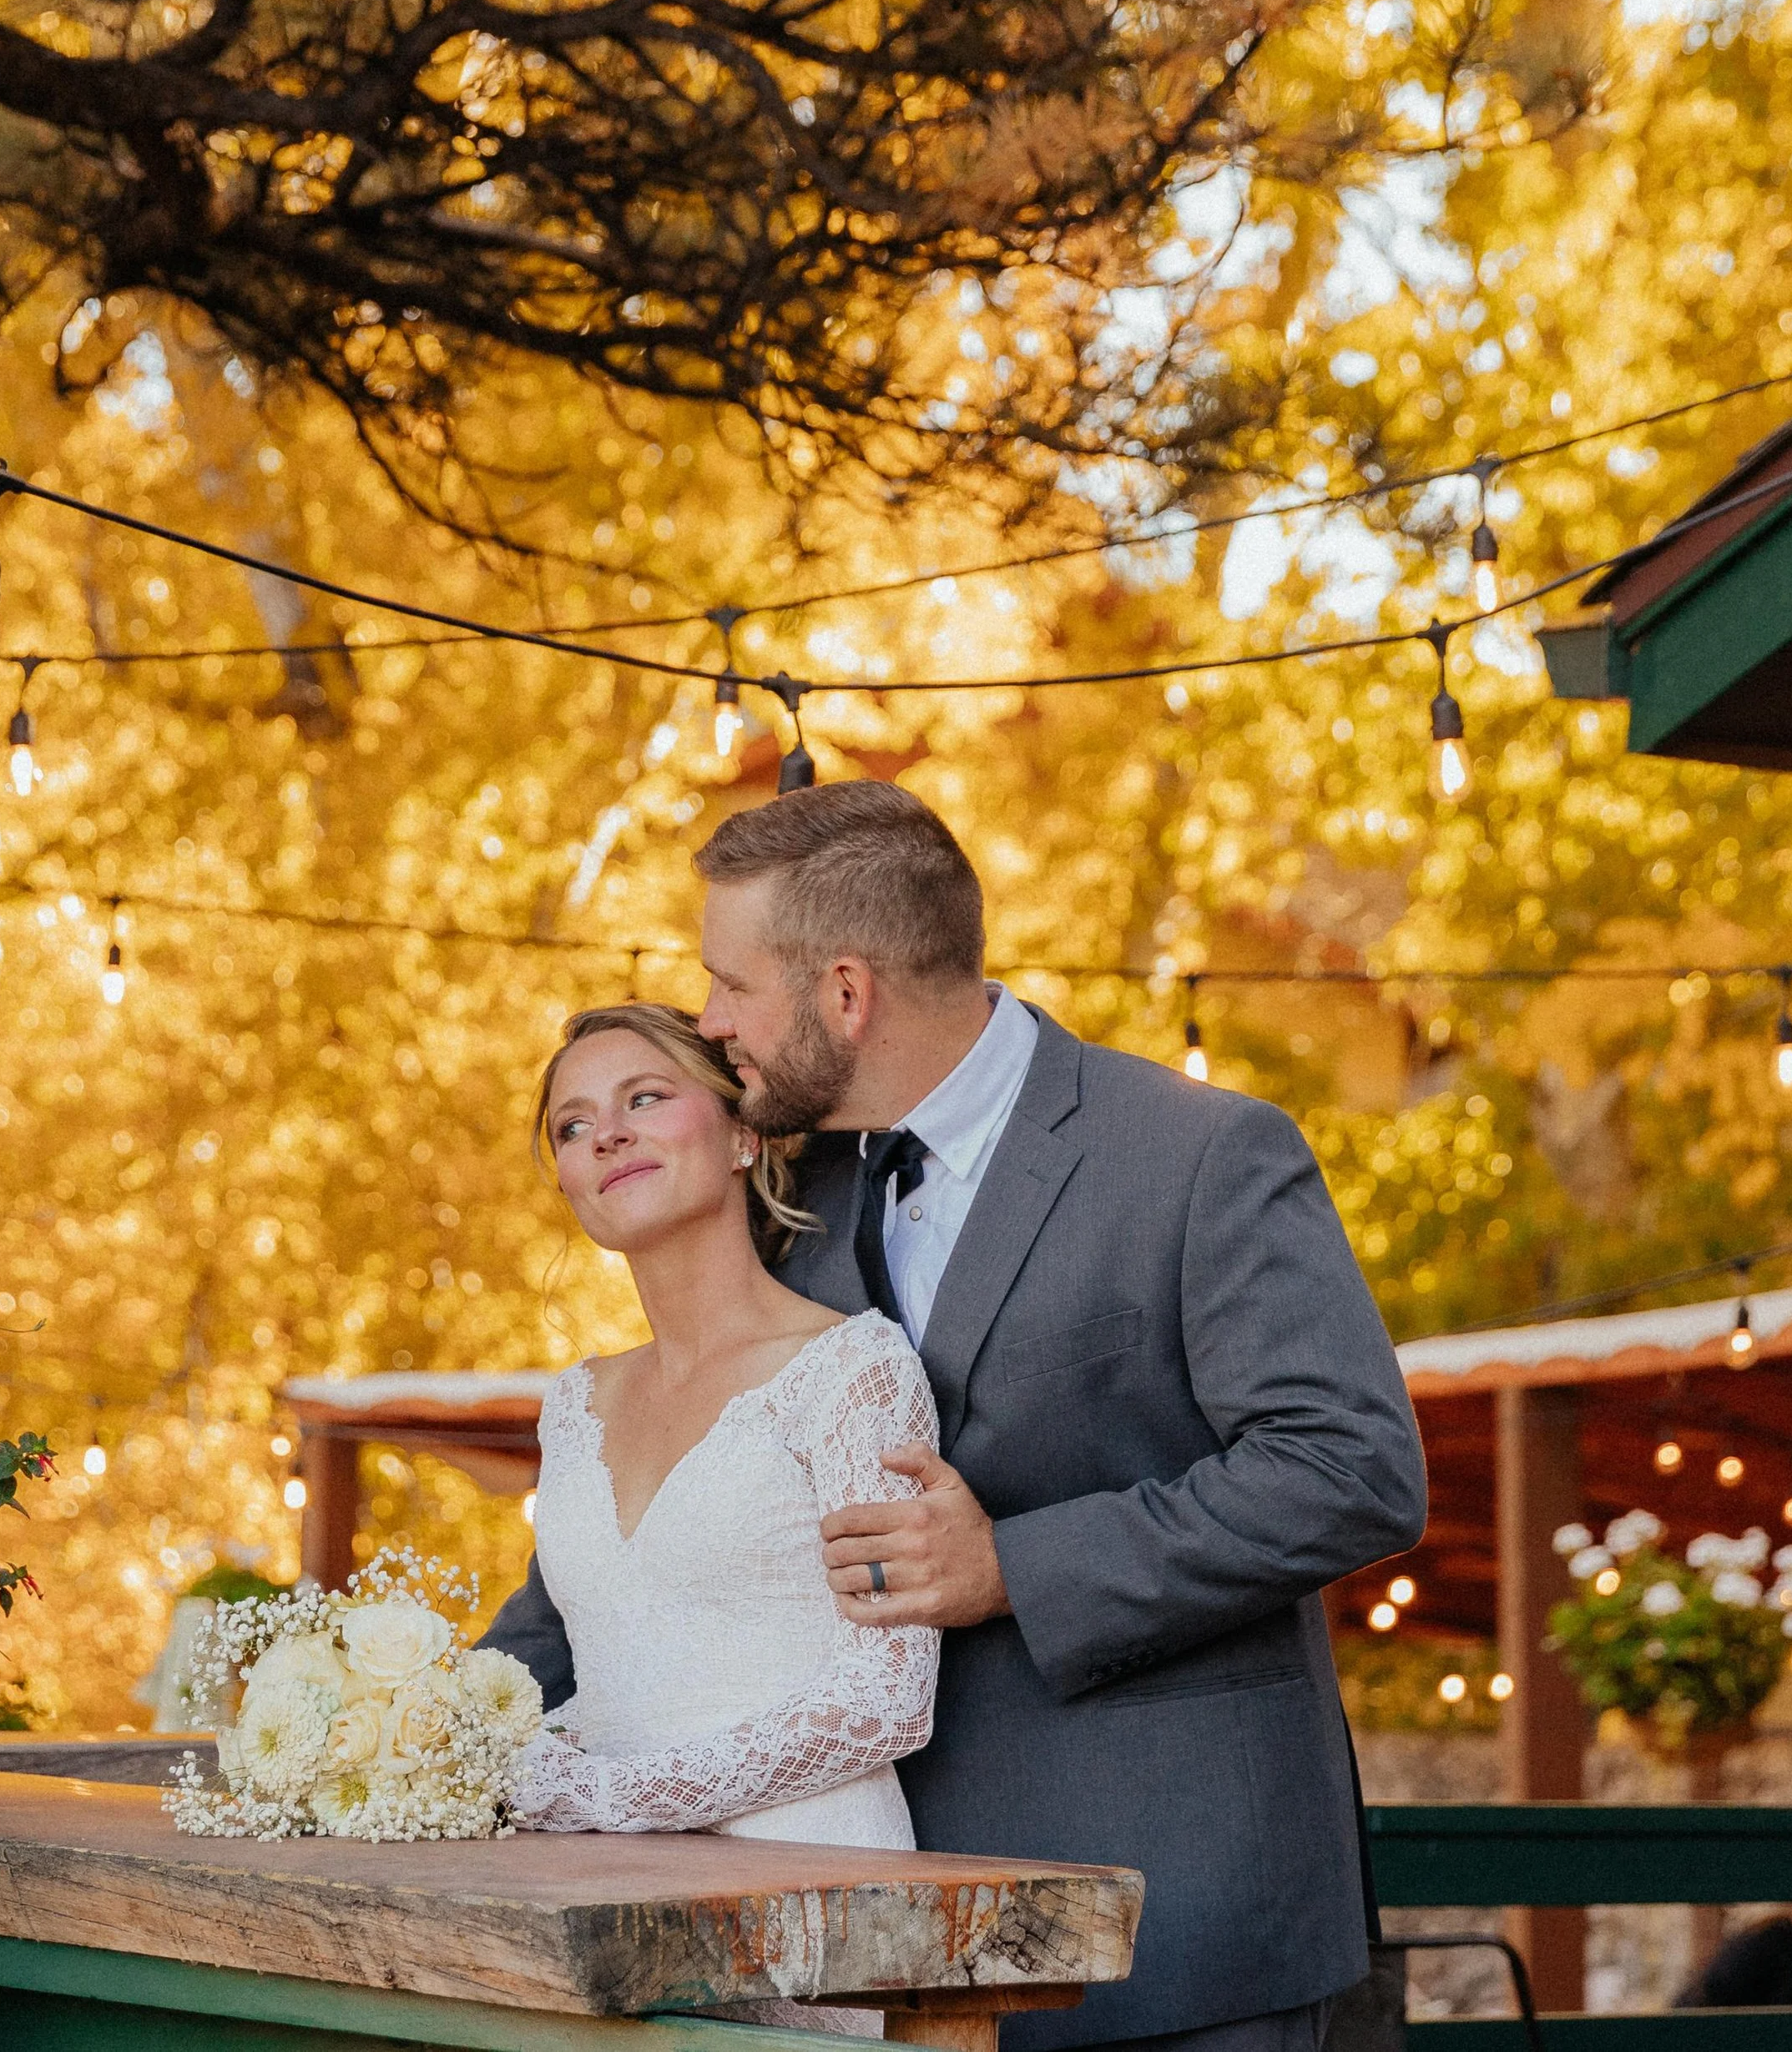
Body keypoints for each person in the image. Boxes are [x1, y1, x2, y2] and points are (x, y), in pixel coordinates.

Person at [483, 782, 1426, 2052]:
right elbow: (638, 1563)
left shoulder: (1198, 1155)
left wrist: (1013, 1566)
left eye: (731, 985)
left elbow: (1350, 1468)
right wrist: (410, 1736)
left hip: (1171, 1919)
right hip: (864, 1934)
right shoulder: (783, 1186)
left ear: (847, 991)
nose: (711, 1023)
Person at [502, 999, 939, 1847]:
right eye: (571, 1124)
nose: (607, 1134)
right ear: (567, 1184)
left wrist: (612, 1799)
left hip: (811, 1867)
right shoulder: (574, 1404)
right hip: (609, 1888)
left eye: (645, 1098)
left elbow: (886, 1699)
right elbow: (633, 1667)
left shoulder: (853, 1370)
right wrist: (490, 1754)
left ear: (743, 1132)